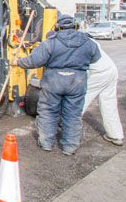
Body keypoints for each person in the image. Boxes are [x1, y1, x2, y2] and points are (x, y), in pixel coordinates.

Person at [11, 14, 100, 155]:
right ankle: (70, 147)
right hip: (77, 81)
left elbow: (34, 61)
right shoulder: (87, 42)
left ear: (57, 27)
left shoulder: (50, 43)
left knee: (48, 111)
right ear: (75, 26)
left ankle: (46, 143)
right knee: (72, 114)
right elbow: (96, 58)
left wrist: (17, 62)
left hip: (54, 81)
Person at [82, 42, 124, 146]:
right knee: (109, 104)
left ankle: (68, 130)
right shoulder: (89, 40)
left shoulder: (76, 44)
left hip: (98, 73)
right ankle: (115, 135)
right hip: (111, 69)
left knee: (79, 100)